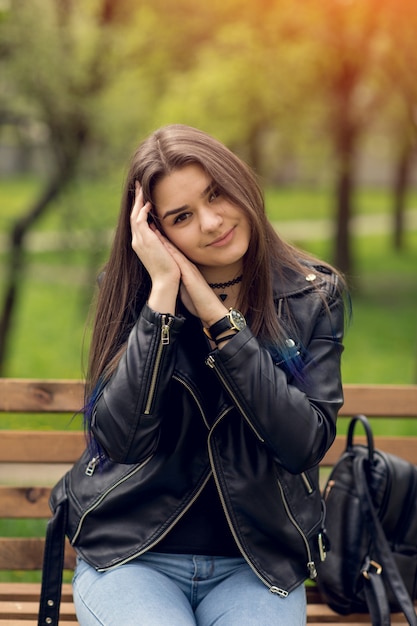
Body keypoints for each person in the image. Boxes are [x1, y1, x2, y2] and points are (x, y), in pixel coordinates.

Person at [72, 124, 347, 626]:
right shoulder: (132, 295)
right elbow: (122, 440)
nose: (212, 221)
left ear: (238, 182)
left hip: (256, 566)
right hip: (134, 556)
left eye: (215, 194)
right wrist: (161, 297)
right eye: (182, 216)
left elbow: (303, 442)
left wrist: (220, 324)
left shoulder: (311, 298)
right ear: (155, 232)